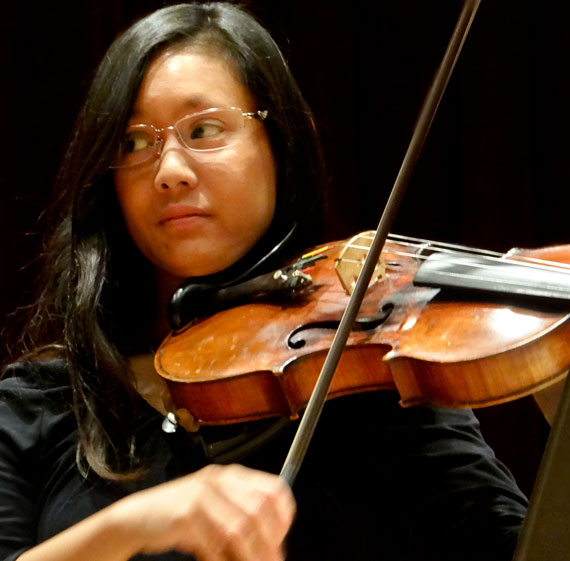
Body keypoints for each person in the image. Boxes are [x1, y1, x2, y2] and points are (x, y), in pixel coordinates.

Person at [0, 2, 528, 560]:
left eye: (203, 130)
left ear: (283, 143)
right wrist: (134, 526)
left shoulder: (369, 382)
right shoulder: (43, 406)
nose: (170, 170)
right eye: (133, 142)